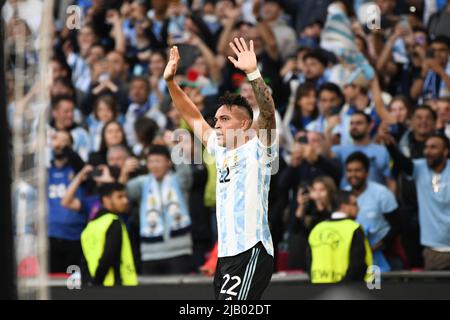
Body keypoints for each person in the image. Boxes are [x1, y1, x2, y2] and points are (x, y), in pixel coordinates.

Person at [164, 38, 276, 300]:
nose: (217, 125)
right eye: (216, 120)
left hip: (251, 250)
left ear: (244, 123)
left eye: (224, 119)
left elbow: (268, 112)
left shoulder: (260, 148)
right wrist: (171, 82)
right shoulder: (219, 148)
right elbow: (192, 116)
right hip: (226, 256)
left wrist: (253, 73)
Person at [380, 130, 450, 270]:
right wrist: (391, 147)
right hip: (434, 250)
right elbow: (403, 163)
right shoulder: (420, 167)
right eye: (426, 147)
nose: (427, 151)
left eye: (433, 147)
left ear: (445, 151)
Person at [126, 145, 193, 275]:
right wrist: (123, 173)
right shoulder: (142, 183)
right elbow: (124, 192)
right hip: (150, 254)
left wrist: (175, 148)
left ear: (168, 162)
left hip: (179, 251)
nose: (154, 165)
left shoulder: (178, 181)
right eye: (150, 161)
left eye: (158, 161)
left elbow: (186, 173)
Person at [345, 152, 400, 272]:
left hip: (382, 257)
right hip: (353, 258)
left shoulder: (382, 193)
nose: (353, 174)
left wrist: (376, 247)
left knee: (377, 289)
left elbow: (397, 225)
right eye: (349, 170)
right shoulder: (343, 195)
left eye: (357, 170)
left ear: (367, 173)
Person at [307, 190, 373, 284]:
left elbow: (309, 262)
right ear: (344, 207)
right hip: (349, 290)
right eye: (354, 204)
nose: (358, 208)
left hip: (319, 287)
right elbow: (357, 263)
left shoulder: (317, 229)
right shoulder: (353, 228)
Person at [81, 183, 138, 286]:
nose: (125, 201)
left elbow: (84, 262)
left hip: (92, 287)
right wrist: (97, 282)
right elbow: (108, 256)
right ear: (106, 199)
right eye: (119, 197)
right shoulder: (114, 222)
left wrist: (90, 284)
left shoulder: (89, 227)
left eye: (125, 197)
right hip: (116, 287)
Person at [47, 130, 87, 273]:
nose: (59, 144)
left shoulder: (78, 171)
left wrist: (63, 146)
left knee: (73, 286)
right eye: (56, 140)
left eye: (64, 141)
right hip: (51, 237)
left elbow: (83, 167)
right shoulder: (46, 172)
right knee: (52, 286)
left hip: (75, 238)